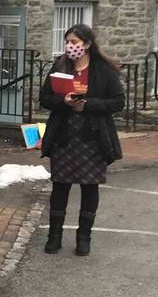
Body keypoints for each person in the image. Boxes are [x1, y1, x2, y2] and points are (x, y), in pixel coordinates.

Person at [39, 24, 125, 257]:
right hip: (64, 135)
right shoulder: (60, 65)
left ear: (87, 44)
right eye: (68, 41)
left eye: (75, 42)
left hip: (92, 137)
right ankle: (54, 236)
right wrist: (64, 101)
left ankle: (84, 237)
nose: (70, 46)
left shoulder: (102, 70)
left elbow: (118, 102)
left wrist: (88, 103)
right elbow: (45, 98)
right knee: (61, 185)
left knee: (89, 187)